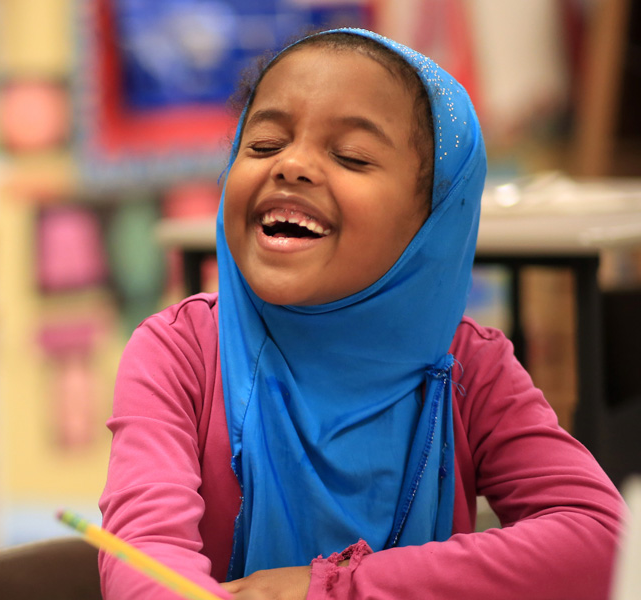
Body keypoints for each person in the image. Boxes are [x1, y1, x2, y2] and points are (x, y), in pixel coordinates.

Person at [99, 28, 624, 600]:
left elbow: (603, 542)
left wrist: (328, 588)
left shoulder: (470, 364)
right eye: (265, 144)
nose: (292, 165)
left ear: (432, 220)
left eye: (350, 155)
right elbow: (143, 566)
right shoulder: (178, 353)